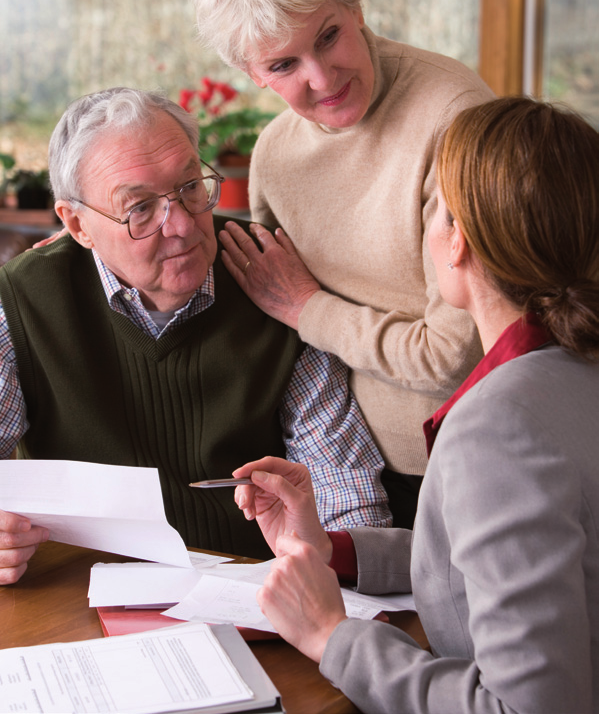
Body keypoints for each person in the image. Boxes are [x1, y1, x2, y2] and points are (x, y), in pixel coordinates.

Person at [230, 97, 599, 712]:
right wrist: (333, 551)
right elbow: (524, 566)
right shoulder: (571, 370)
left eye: (435, 208)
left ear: (456, 242)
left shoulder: (500, 424)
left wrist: (330, 636)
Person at [0, 86, 392, 586]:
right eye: (139, 208)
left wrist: (341, 570)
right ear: (77, 224)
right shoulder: (25, 299)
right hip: (77, 599)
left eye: (190, 187)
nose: (182, 225)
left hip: (258, 591)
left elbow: (346, 491)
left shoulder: (268, 275)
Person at [189, 0, 495, 527]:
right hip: (338, 474)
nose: (322, 79)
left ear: (354, 6)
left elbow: (455, 358)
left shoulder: (455, 117)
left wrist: (309, 309)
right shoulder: (274, 157)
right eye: (283, 65)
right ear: (252, 74)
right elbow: (282, 333)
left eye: (328, 36)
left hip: (464, 470)